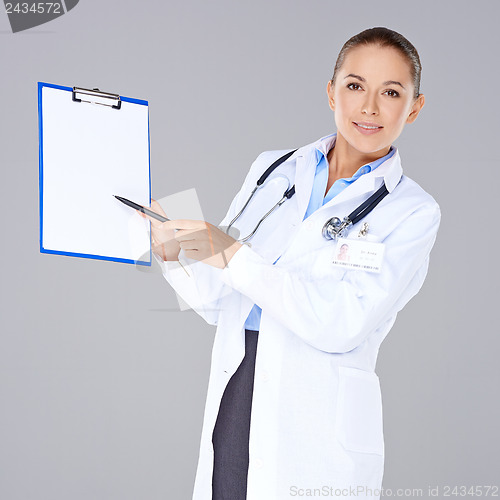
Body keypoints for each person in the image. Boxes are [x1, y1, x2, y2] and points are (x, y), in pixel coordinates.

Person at [138, 26, 441, 500]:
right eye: (355, 86)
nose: (369, 107)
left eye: (391, 92)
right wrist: (175, 256)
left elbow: (339, 324)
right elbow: (219, 300)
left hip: (315, 420)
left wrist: (228, 252)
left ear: (415, 107)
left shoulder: (413, 211)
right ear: (331, 91)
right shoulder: (273, 168)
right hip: (238, 391)